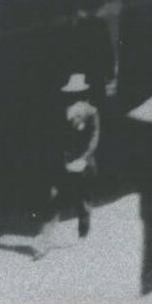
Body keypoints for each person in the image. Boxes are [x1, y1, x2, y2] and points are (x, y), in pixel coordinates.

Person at [55, 72, 100, 240]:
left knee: (83, 198)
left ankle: (84, 229)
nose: (73, 96)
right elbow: (61, 136)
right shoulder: (64, 111)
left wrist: (85, 158)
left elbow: (94, 137)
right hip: (68, 160)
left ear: (82, 93)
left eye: (76, 93)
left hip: (84, 163)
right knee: (57, 196)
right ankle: (47, 236)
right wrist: (64, 156)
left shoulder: (91, 112)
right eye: (71, 94)